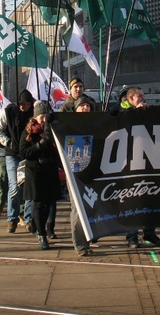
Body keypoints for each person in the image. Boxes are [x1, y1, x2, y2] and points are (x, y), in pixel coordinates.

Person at [120, 86, 160, 248]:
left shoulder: (147, 110)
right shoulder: (122, 111)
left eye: (143, 96)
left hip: (147, 161)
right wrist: (135, 112)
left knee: (149, 199)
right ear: (131, 99)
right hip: (130, 163)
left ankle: (149, 233)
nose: (143, 99)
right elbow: (119, 120)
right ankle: (132, 236)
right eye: (139, 96)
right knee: (132, 201)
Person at [19, 101, 62, 250]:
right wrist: (39, 145)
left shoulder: (52, 128)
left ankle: (42, 227)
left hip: (50, 170)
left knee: (49, 203)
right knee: (39, 203)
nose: (43, 121)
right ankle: (41, 234)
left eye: (45, 117)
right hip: (35, 171)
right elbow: (24, 152)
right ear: (36, 117)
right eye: (41, 117)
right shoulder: (29, 131)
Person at [0, 89, 34, 234]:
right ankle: (12, 218)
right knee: (14, 186)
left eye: (28, 104)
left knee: (29, 187)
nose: (25, 107)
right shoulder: (8, 112)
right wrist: (8, 142)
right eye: (23, 104)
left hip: (29, 154)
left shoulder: (34, 112)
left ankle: (28, 218)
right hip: (12, 154)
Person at [71, 95, 96, 256]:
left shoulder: (95, 124)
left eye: (87, 106)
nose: (85, 108)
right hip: (75, 168)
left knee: (90, 204)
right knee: (77, 206)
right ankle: (80, 243)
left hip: (92, 169)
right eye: (82, 106)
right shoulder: (70, 124)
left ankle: (88, 238)